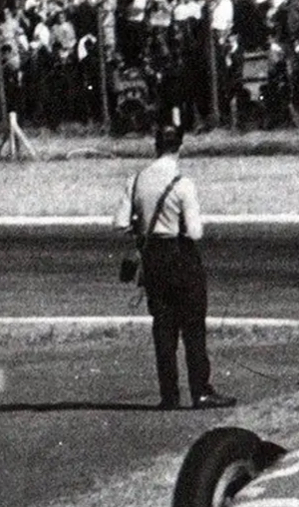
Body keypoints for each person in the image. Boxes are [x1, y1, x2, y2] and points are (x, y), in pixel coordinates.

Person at [113, 124, 236, 410]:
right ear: (180, 147)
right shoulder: (183, 184)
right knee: (193, 326)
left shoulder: (136, 180)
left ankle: (169, 395)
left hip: (153, 258)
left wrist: (142, 226)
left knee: (163, 327)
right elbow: (195, 232)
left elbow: (119, 223)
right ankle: (200, 391)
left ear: (155, 146)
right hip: (181, 255)